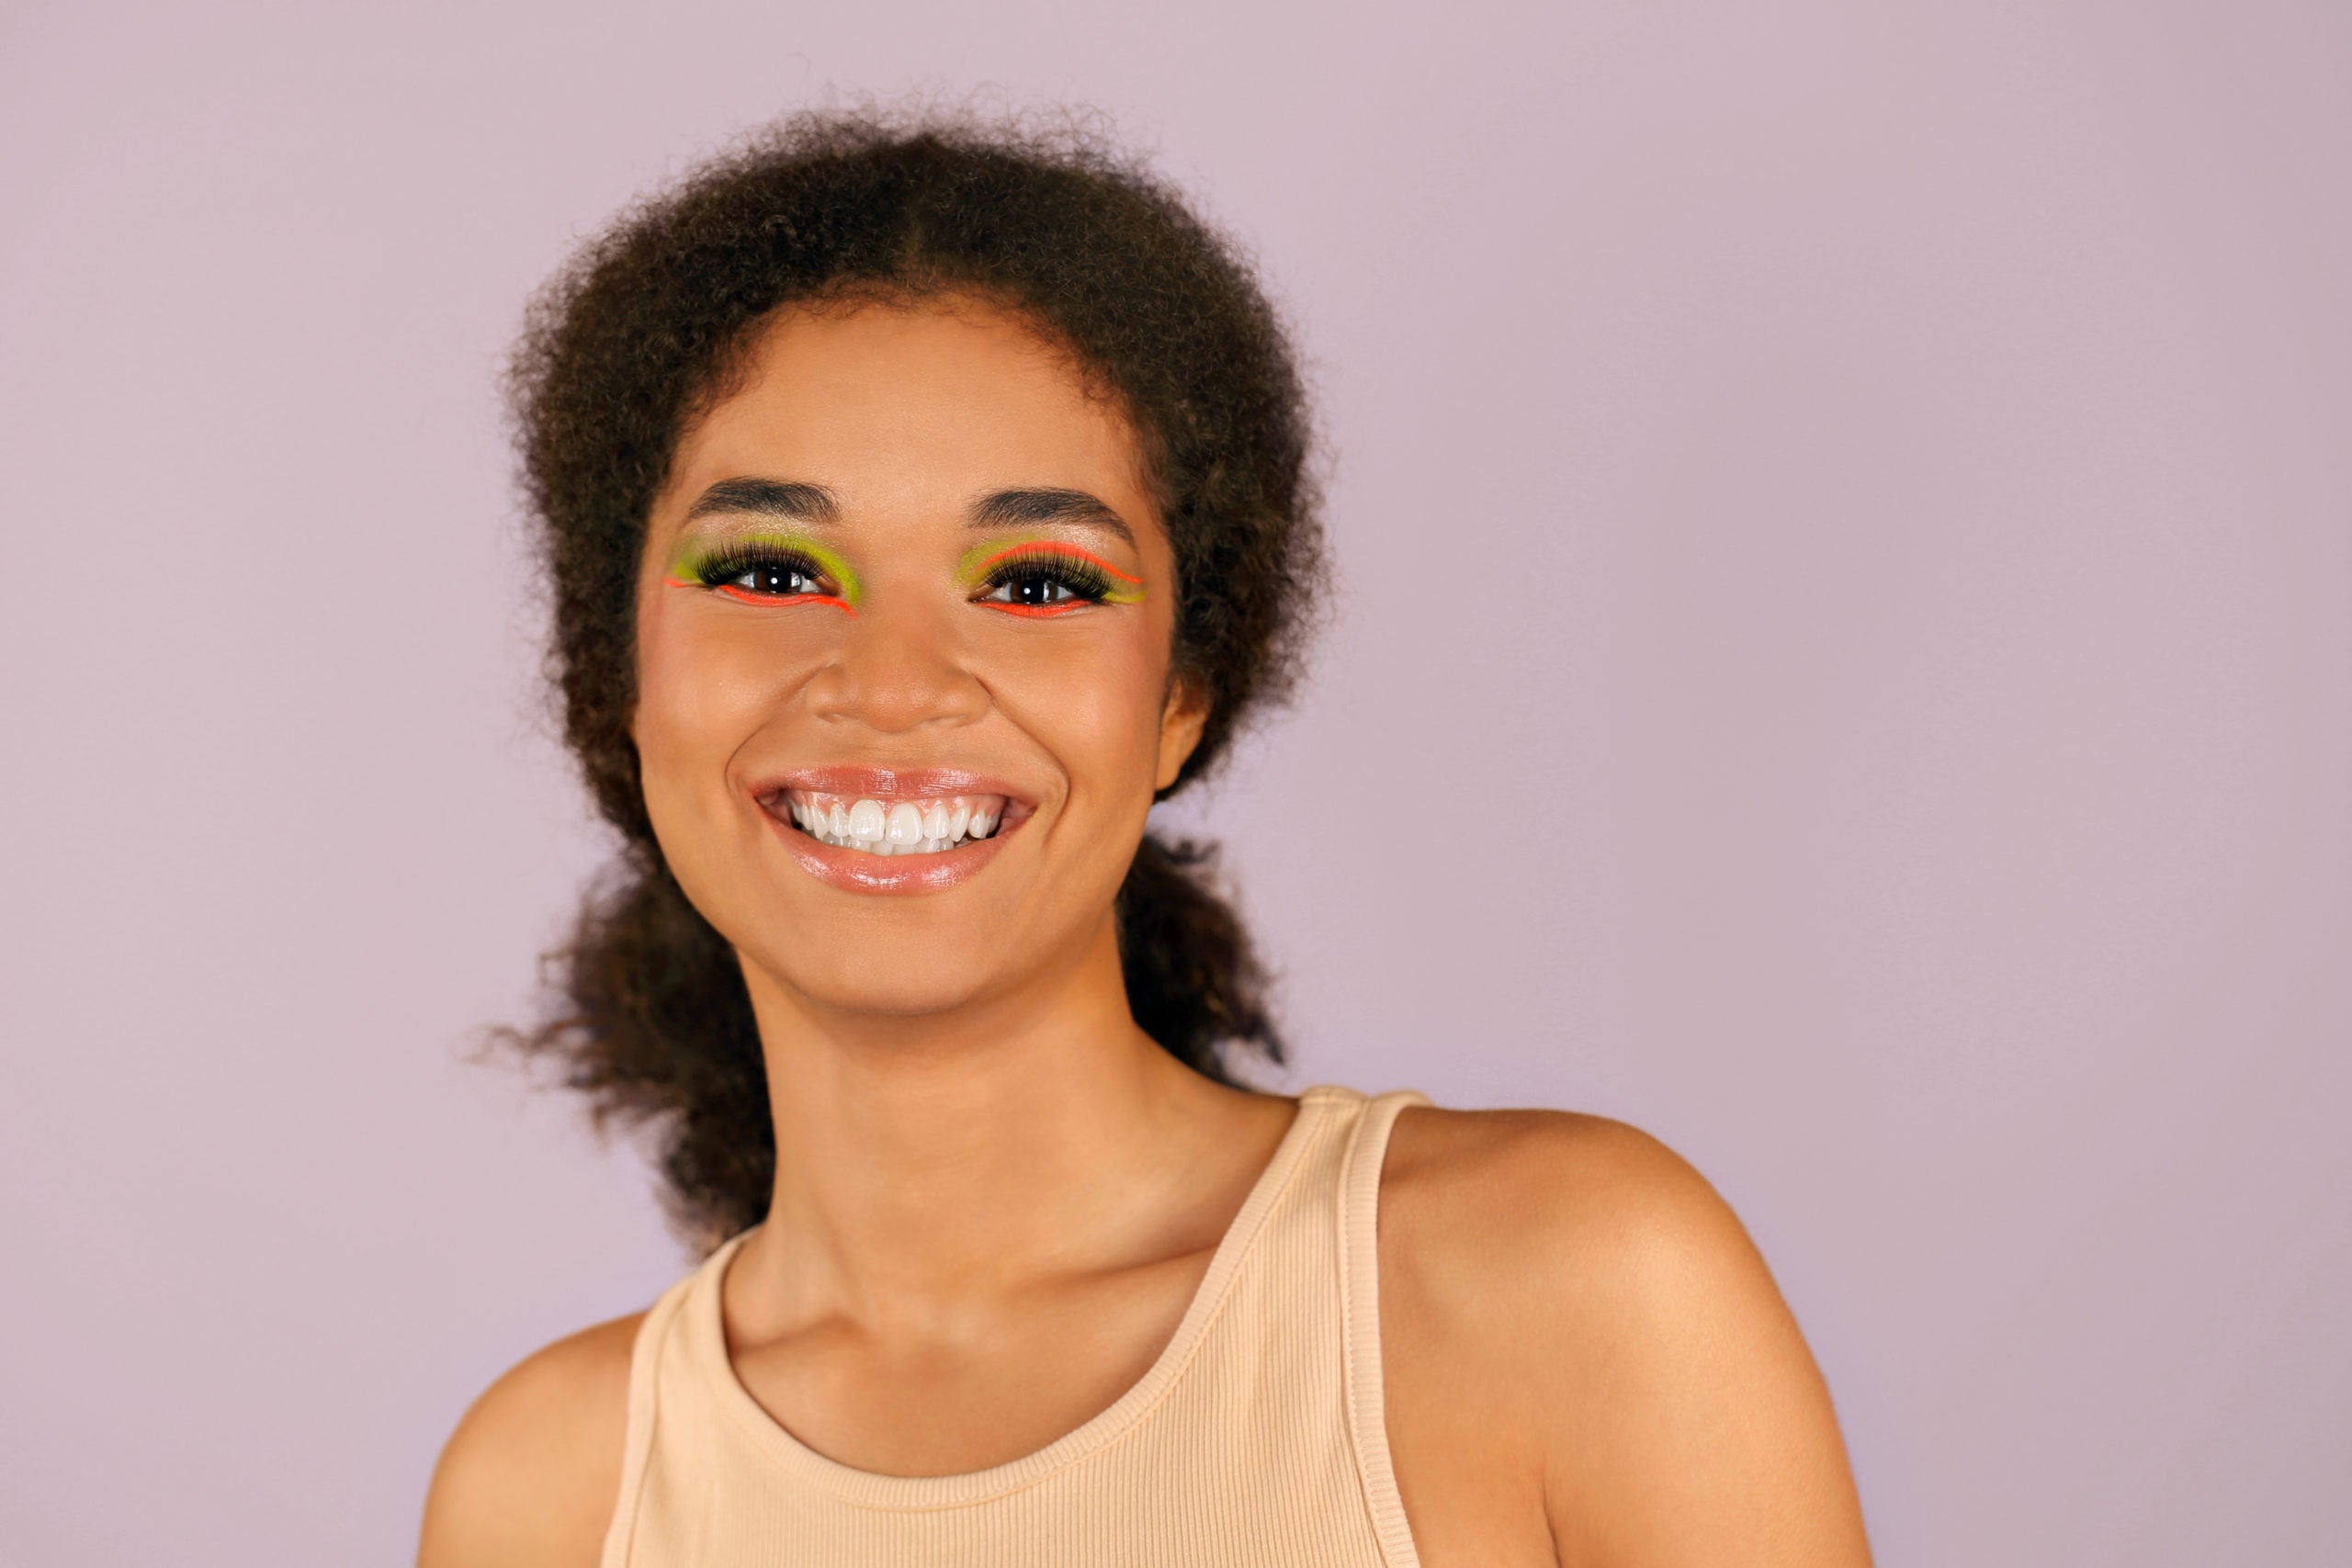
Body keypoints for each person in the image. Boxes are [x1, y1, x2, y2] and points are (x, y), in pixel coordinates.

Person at [416, 113, 1872, 1568]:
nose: (894, 686)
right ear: (620, 674)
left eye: (1037, 584)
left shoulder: (1569, 1291)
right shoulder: (545, 1498)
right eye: (772, 571)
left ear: (1181, 698)